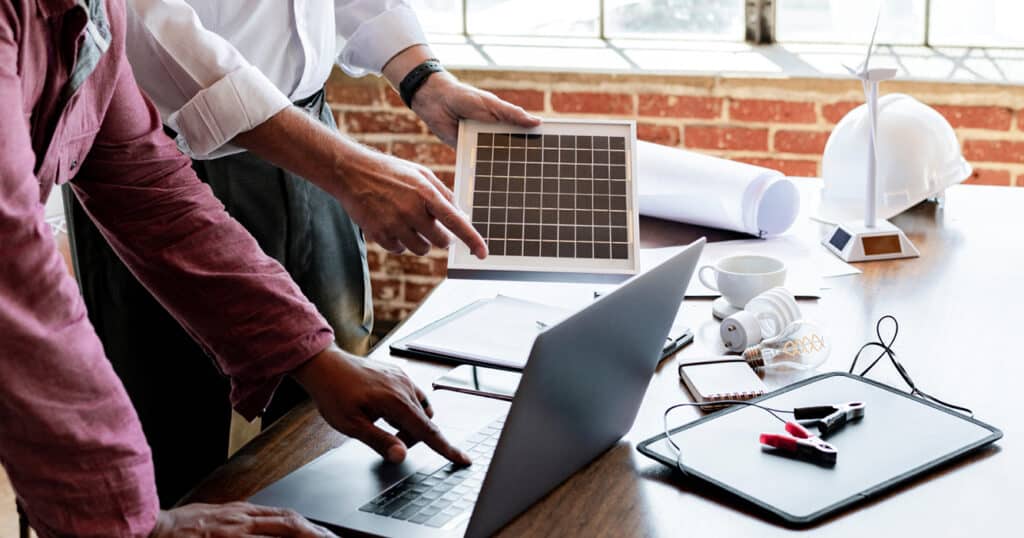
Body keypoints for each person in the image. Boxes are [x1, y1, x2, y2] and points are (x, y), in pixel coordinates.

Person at [0, 0, 486, 535]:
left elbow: (143, 184)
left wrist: (313, 355)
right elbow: (15, 280)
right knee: (169, 420)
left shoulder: (95, 12)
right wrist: (134, 524)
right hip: (197, 131)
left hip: (278, 121)